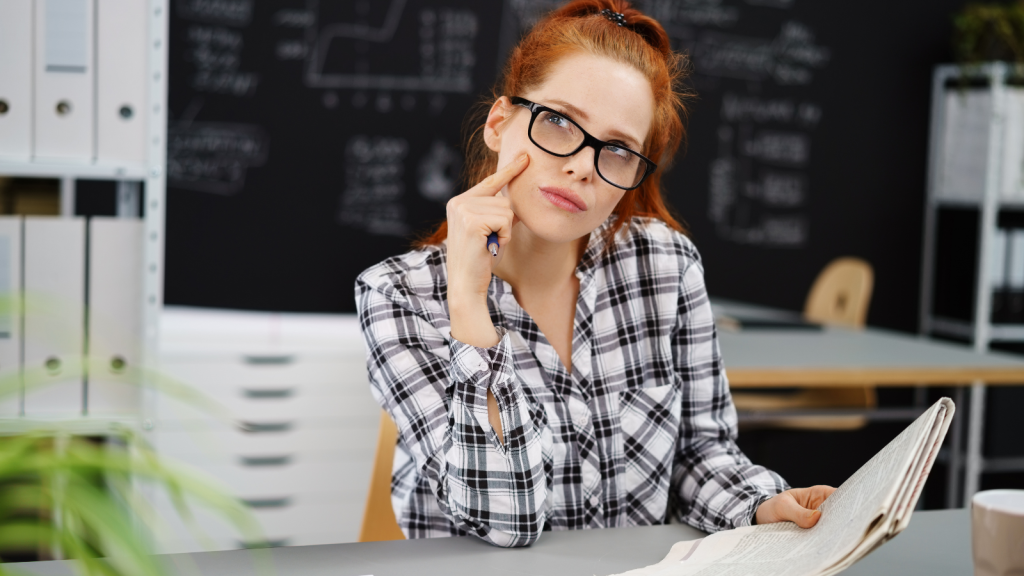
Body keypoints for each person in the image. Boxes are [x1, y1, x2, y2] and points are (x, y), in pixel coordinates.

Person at [355, 0, 834, 548]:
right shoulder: (397, 295)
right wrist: (468, 299)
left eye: (618, 149)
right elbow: (505, 520)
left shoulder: (665, 267)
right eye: (558, 122)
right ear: (499, 122)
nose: (583, 164)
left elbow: (703, 454)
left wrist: (761, 503)